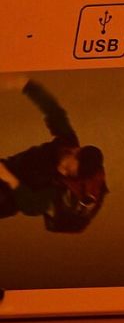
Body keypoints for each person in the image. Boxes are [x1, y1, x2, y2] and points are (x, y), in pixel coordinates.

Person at [0, 74, 107, 233]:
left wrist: (9, 178)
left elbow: (33, 207)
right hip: (10, 168)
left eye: (70, 173)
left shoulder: (58, 185)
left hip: (6, 196)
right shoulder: (67, 141)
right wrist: (26, 85)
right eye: (68, 167)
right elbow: (54, 111)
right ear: (75, 151)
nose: (63, 171)